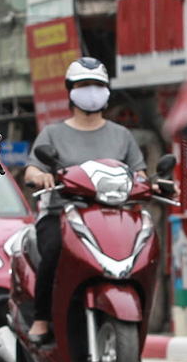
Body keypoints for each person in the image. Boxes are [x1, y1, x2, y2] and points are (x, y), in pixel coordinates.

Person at [21, 57, 144, 340]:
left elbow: (141, 175)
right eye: (84, 85)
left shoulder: (122, 136)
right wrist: (39, 176)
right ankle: (42, 318)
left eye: (97, 85)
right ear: (71, 90)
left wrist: (160, 186)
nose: (91, 91)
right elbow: (32, 168)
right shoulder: (53, 133)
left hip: (113, 217)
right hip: (62, 214)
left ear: (107, 91)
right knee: (52, 252)